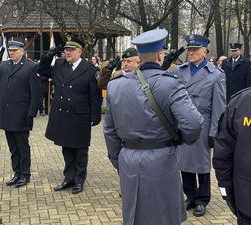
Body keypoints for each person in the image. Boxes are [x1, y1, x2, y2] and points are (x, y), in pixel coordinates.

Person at [104, 28, 204, 225]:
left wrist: (119, 161)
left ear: (139, 57)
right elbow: (193, 124)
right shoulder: (171, 84)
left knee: (134, 214)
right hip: (161, 158)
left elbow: (109, 131)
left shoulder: (116, 85)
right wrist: (180, 140)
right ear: (160, 54)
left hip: (128, 158)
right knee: (163, 215)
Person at [38, 35, 102, 194]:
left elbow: (95, 95)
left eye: (71, 50)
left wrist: (95, 115)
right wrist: (49, 55)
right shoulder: (60, 65)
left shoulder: (90, 69)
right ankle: (69, 178)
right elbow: (41, 70)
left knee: (80, 151)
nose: (68, 53)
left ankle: (79, 180)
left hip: (80, 116)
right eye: (66, 50)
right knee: (67, 149)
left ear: (79, 52)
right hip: (63, 115)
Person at [173, 34, 226, 216]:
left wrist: (215, 132)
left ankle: (202, 199)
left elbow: (219, 106)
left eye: (195, 49)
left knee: (202, 165)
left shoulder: (216, 74)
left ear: (205, 52)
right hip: (183, 123)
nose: (191, 52)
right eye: (189, 49)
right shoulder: (179, 71)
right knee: (184, 162)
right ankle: (190, 195)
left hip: (203, 124)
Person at [0, 39, 41, 188]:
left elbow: (36, 93)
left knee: (22, 146)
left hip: (22, 114)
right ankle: (17, 173)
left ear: (22, 51)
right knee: (13, 147)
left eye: (14, 50)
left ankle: (25, 174)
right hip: (7, 113)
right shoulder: (4, 65)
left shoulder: (30, 67)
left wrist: (31, 113)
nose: (11, 53)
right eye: (10, 50)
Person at [213, 87, 251, 225]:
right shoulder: (240, 102)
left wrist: (228, 194)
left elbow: (222, 157)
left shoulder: (240, 101)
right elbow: (223, 156)